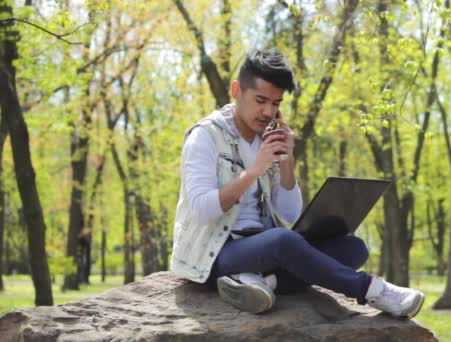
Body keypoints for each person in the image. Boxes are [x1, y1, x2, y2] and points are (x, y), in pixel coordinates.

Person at [170, 48, 425, 318]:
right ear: (236, 90)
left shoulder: (266, 140)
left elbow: (289, 213)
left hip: (260, 248)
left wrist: (286, 161)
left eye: (276, 103)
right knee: (283, 241)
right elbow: (201, 210)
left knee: (352, 248)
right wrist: (254, 170)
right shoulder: (204, 137)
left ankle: (260, 283)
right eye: (260, 100)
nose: (268, 111)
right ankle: (374, 291)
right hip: (215, 253)